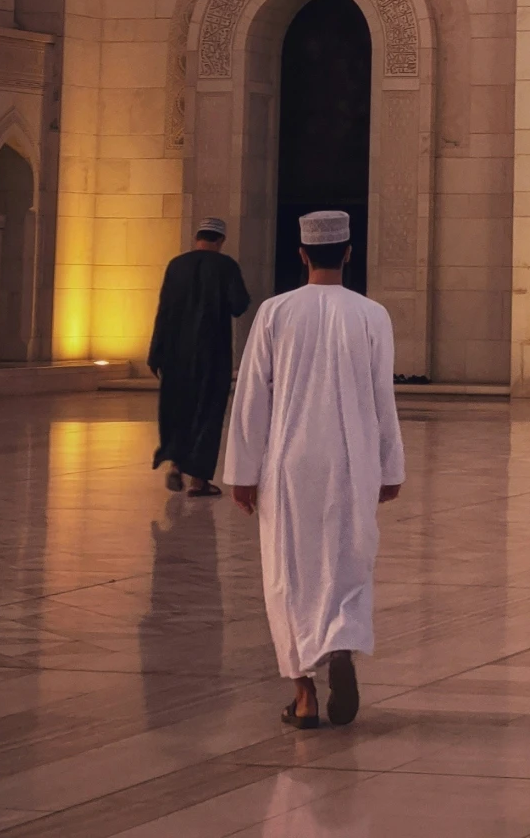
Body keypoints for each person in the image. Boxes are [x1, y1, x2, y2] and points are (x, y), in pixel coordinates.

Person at [225, 209, 404, 730]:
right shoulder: (372, 315)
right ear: (349, 253)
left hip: (289, 459)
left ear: (302, 255)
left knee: (288, 570)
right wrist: (390, 465)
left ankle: (303, 695)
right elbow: (380, 399)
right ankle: (342, 641)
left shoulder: (275, 313)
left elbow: (253, 394)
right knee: (348, 558)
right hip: (353, 457)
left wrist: (242, 470)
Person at [147, 218, 250, 497]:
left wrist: (155, 351)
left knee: (180, 409)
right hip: (211, 352)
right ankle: (199, 480)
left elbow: (164, 309)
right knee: (208, 412)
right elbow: (239, 304)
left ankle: (177, 464)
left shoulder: (176, 266)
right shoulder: (225, 266)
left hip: (176, 352)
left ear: (197, 237)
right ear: (220, 240)